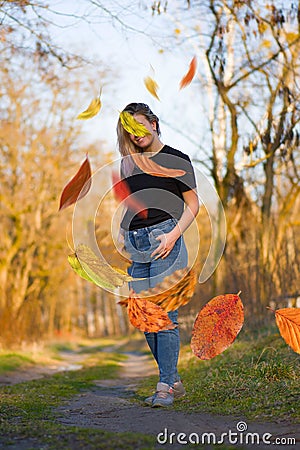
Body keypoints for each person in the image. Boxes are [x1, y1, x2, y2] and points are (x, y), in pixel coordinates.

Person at [116, 102, 199, 407]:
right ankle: (173, 378)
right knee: (144, 317)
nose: (137, 134)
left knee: (166, 316)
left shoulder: (177, 159)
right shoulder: (128, 165)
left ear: (153, 123)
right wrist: (125, 238)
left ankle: (164, 385)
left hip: (167, 239)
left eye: (140, 126)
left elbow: (193, 204)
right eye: (130, 131)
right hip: (137, 245)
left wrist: (174, 234)